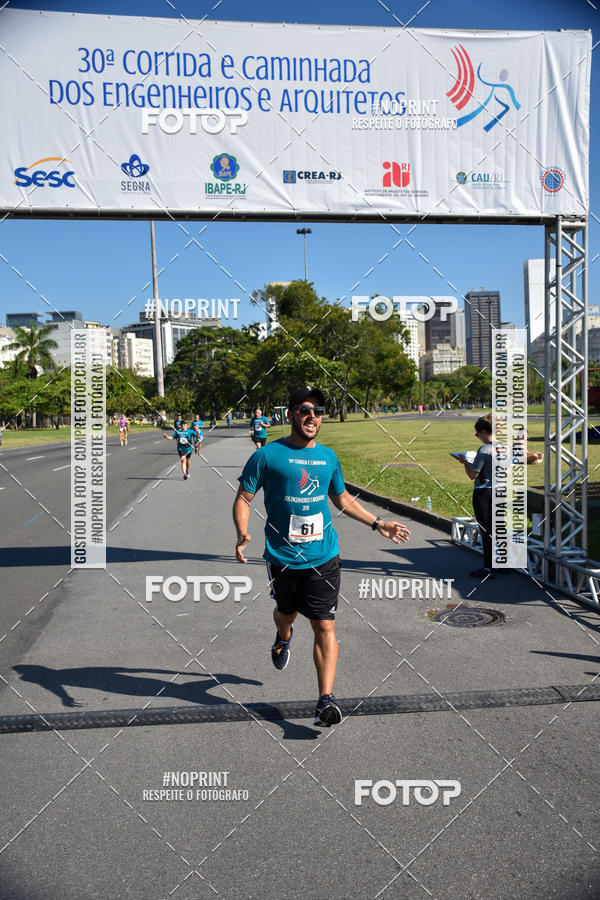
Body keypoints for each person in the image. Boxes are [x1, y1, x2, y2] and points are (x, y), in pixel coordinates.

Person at [232, 386, 411, 727]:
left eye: (318, 411)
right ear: (290, 414)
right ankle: (283, 636)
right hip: (282, 557)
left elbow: (342, 499)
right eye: (304, 409)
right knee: (286, 614)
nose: (312, 416)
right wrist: (242, 531)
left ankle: (325, 700)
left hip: (324, 555)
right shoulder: (267, 456)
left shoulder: (328, 457)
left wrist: (378, 523)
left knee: (325, 625)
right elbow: (243, 498)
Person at [456, 416, 498, 579]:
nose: (478, 437)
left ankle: (488, 567)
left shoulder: (484, 450)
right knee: (498, 529)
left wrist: (465, 462)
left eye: (477, 434)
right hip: (500, 490)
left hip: (483, 492)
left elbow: (473, 475)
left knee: (486, 530)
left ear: (483, 431)